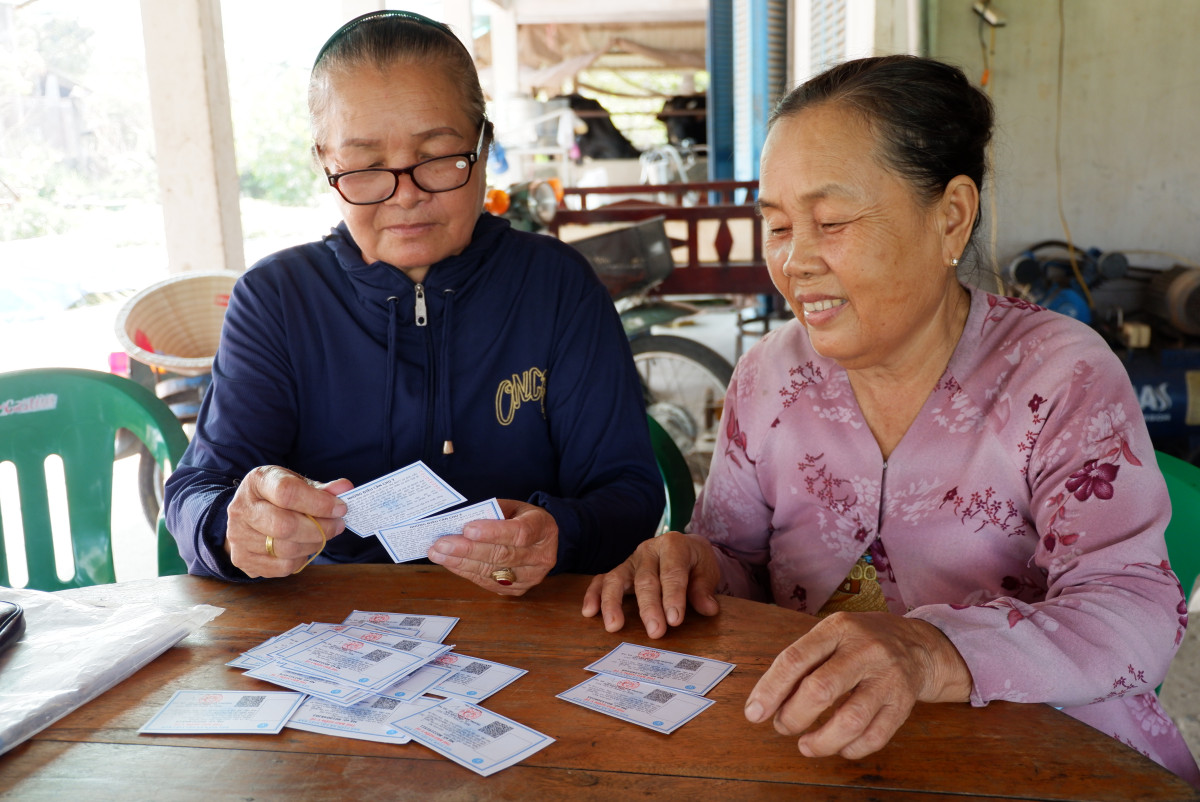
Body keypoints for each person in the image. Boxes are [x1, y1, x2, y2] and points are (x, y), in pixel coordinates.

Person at [583, 54, 1200, 784]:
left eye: (832, 221)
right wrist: (691, 562)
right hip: (823, 743)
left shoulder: (1057, 376)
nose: (794, 261)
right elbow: (739, 560)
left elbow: (1133, 614)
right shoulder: (770, 378)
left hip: (1042, 750)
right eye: (777, 226)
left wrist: (929, 652)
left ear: (951, 217)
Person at [164, 10, 664, 594]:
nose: (406, 197)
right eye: (366, 167)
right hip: (330, 629)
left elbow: (629, 491)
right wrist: (234, 529)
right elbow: (197, 491)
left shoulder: (556, 286)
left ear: (484, 144)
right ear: (325, 162)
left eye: (438, 156)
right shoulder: (277, 300)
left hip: (529, 621)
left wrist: (562, 533)